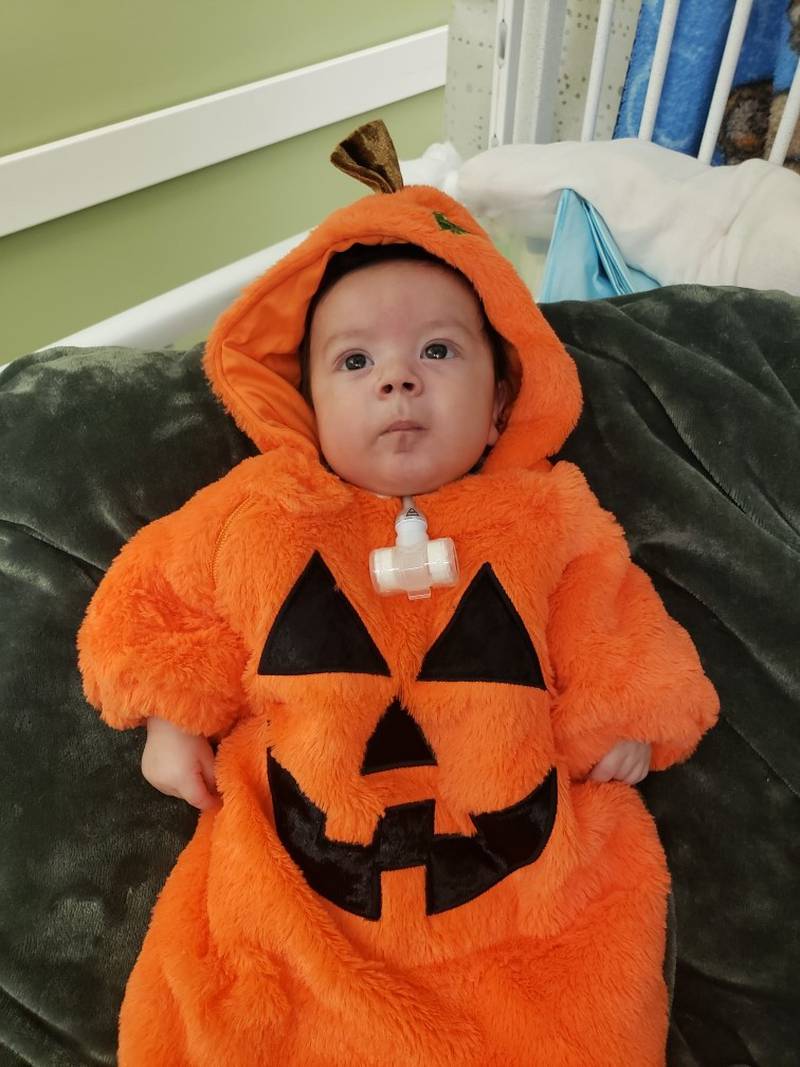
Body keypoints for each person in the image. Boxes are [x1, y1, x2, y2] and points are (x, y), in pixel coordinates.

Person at [78, 121, 718, 1067]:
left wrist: (625, 710)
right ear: (305, 400)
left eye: (439, 351)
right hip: (309, 895)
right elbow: (165, 596)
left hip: (514, 898)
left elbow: (611, 614)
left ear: (503, 395)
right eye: (355, 362)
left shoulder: (548, 514)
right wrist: (173, 713)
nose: (398, 380)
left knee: (577, 990)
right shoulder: (262, 511)